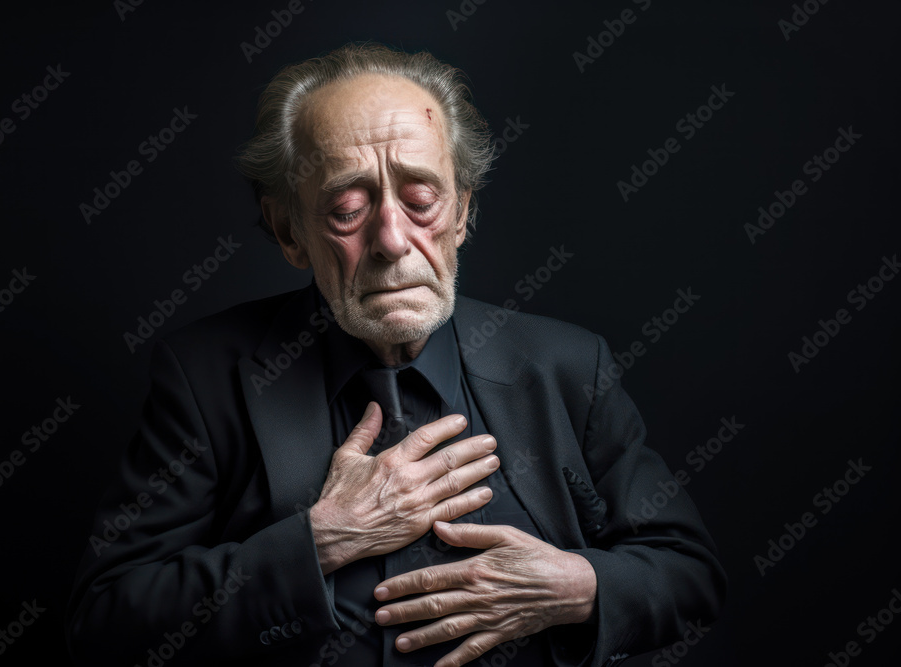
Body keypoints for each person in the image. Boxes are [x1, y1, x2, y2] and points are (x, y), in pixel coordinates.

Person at [66, 42, 725, 667]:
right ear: (289, 230)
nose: (392, 240)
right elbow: (105, 624)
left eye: (420, 200)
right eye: (348, 208)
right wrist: (322, 540)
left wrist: (577, 583)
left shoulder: (569, 367)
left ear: (463, 210)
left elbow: (690, 574)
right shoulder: (204, 377)